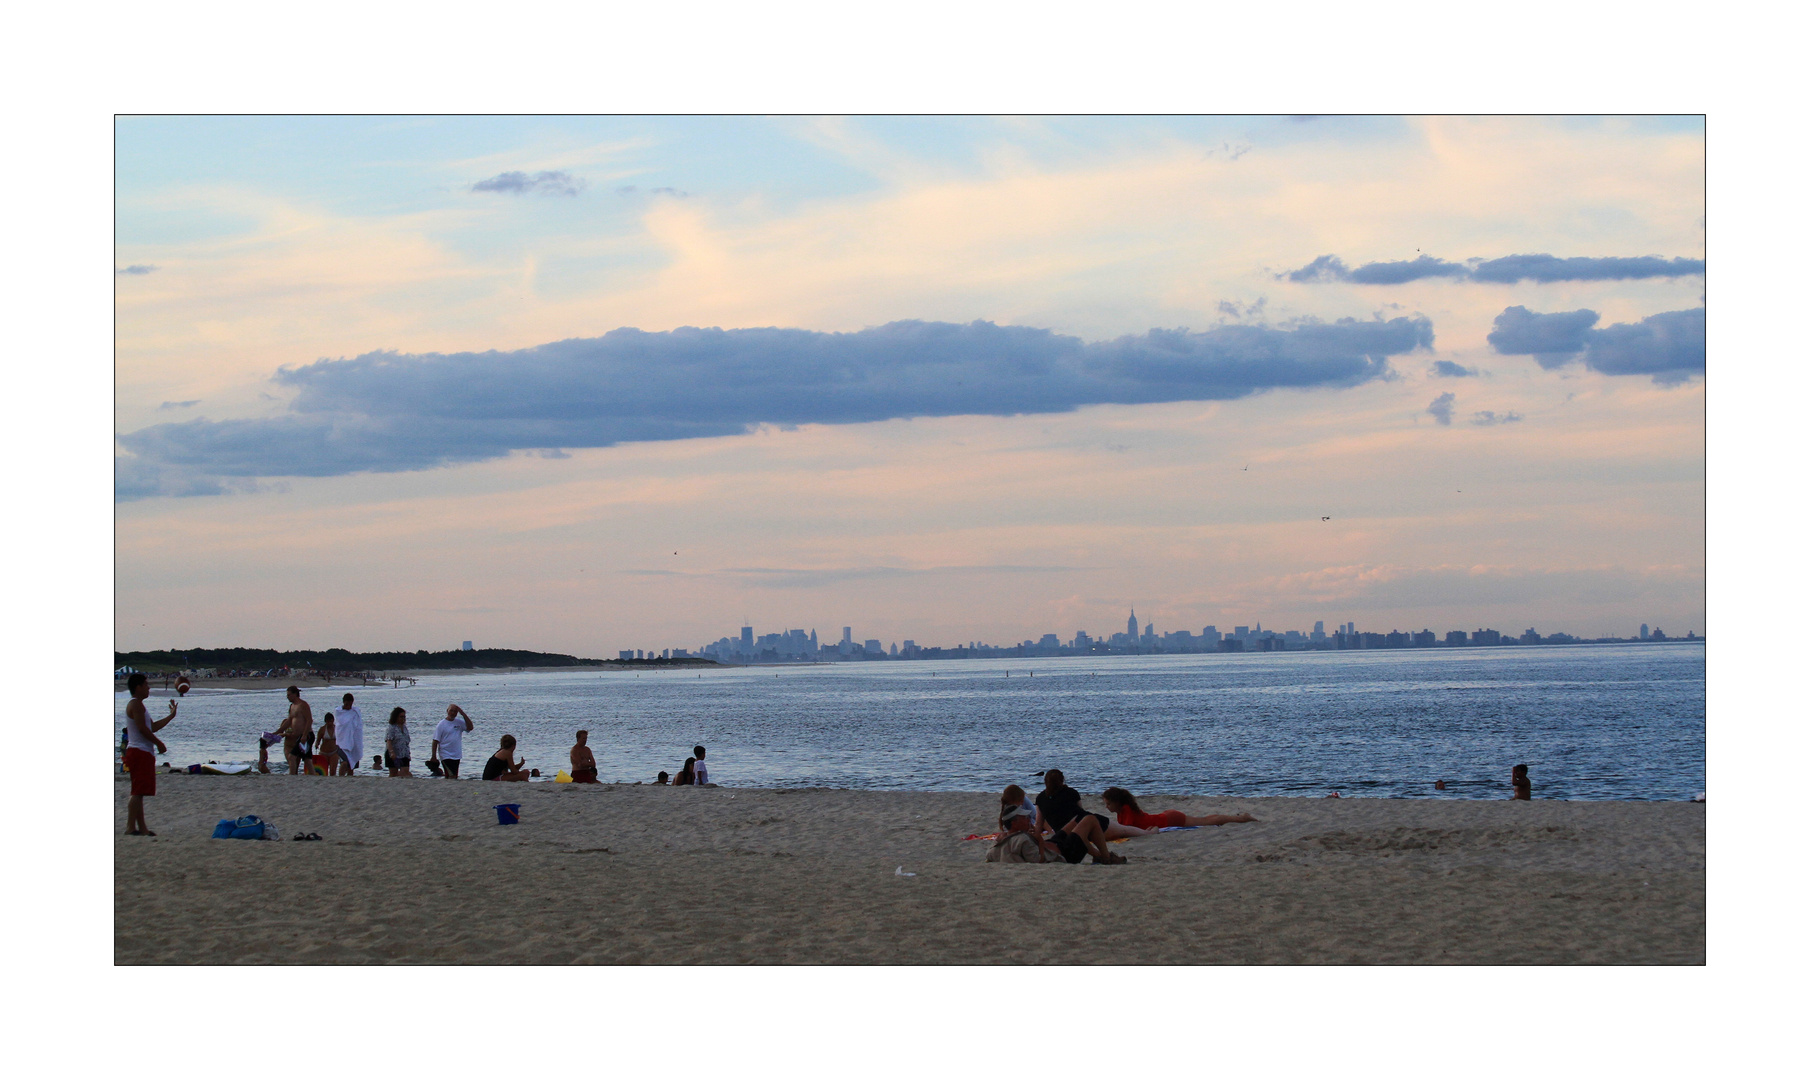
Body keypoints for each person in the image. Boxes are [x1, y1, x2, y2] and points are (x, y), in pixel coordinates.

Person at [122, 673, 176, 835]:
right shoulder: (136, 705)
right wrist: (158, 743)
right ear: (137, 687)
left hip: (142, 752)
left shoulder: (139, 705)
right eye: (146, 685)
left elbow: (152, 727)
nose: (148, 687)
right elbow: (142, 729)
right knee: (138, 792)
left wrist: (171, 716)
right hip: (139, 752)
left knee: (140, 792)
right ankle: (131, 827)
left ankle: (141, 828)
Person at [1033, 769, 1125, 865]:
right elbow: (1081, 814)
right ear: (1062, 780)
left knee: (1080, 823)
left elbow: (1039, 824)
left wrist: (1035, 836)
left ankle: (1099, 856)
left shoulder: (1040, 798)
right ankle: (1106, 857)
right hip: (1064, 849)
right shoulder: (1070, 793)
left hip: (1058, 838)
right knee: (1089, 820)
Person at [1101, 787, 1257, 830]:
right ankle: (1239, 817)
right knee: (1206, 820)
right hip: (1165, 816)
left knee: (1207, 822)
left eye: (1108, 804)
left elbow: (1127, 830)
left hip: (1169, 820)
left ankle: (1242, 818)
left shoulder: (1126, 810)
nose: (1107, 807)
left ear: (1117, 802)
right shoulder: (1123, 811)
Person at [431, 704, 473, 779]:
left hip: (456, 754)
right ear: (447, 711)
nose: (453, 713)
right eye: (451, 711)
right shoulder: (441, 724)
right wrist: (434, 756)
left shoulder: (459, 722)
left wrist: (463, 714)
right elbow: (435, 741)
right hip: (445, 754)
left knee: (454, 775)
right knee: (451, 775)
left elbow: (470, 727)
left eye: (455, 711)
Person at [279, 686, 314, 775]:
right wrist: (278, 731)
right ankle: (314, 775)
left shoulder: (303, 705)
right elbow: (289, 721)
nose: (287, 697)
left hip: (307, 735)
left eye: (289, 695)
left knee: (292, 756)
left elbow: (309, 720)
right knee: (307, 759)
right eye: (287, 695)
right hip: (300, 736)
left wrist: (304, 735)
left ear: (295, 694)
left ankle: (292, 776)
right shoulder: (292, 706)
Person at [332, 693, 364, 777]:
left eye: (350, 704)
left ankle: (350, 778)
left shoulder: (355, 712)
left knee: (351, 764)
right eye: (347, 704)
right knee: (344, 762)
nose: (348, 706)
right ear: (343, 702)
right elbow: (340, 725)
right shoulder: (339, 712)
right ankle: (341, 777)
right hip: (342, 741)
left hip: (353, 741)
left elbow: (358, 726)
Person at [384, 707, 411, 777]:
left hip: (404, 753)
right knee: (393, 774)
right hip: (394, 753)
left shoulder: (404, 727)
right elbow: (388, 741)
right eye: (401, 717)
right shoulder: (392, 728)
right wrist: (392, 753)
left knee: (405, 772)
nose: (403, 718)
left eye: (404, 717)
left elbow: (406, 742)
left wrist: (409, 753)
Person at [316, 712, 339, 777]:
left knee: (333, 771)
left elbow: (341, 740)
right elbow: (318, 740)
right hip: (324, 752)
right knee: (323, 771)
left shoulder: (337, 729)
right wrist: (316, 744)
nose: (330, 723)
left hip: (334, 752)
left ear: (333, 720)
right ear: (325, 721)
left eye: (331, 721)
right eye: (328, 722)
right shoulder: (322, 729)